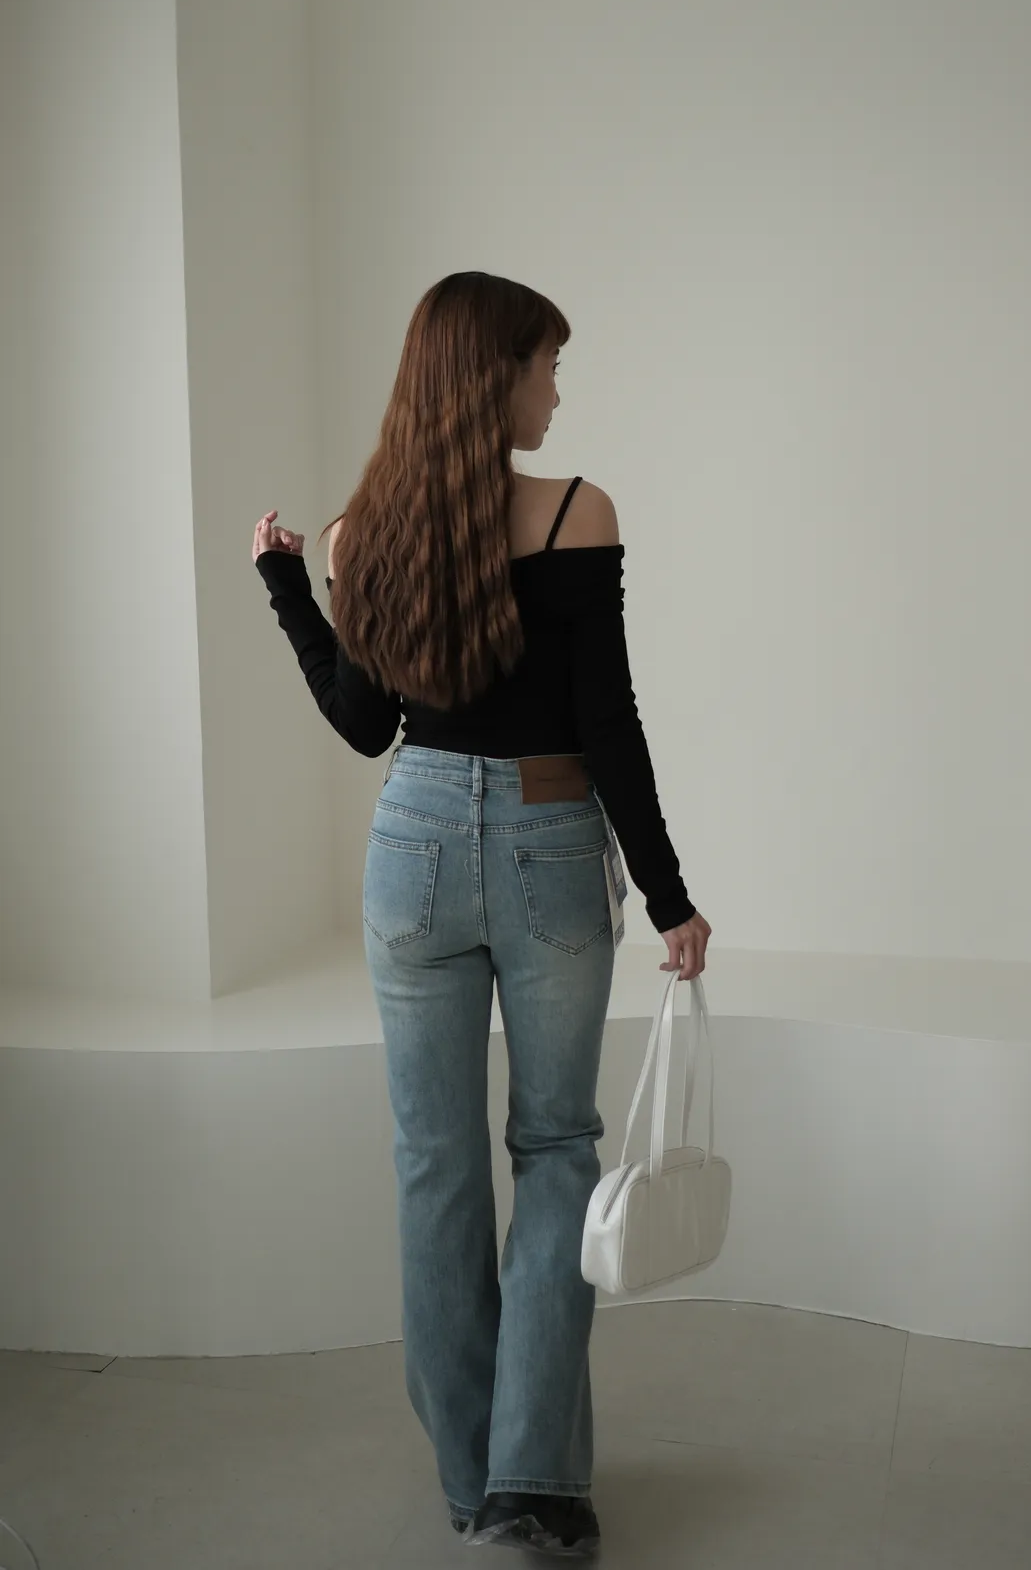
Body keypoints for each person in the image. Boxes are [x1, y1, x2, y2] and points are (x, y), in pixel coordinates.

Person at [252, 270, 710, 1557]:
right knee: (555, 1150)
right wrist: (669, 896)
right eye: (546, 366)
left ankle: (475, 1485)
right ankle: (531, 1489)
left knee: (433, 1164)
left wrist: (289, 588)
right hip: (550, 840)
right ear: (495, 374)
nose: (557, 390)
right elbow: (607, 724)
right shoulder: (574, 513)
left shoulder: (364, 533)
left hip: (409, 849)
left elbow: (366, 726)